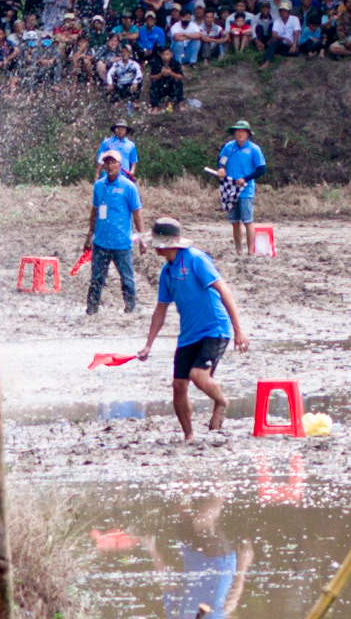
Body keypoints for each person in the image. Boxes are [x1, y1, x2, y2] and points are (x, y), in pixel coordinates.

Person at [136, 217, 250, 439]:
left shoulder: (195, 259)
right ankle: (189, 436)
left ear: (166, 244)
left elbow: (224, 290)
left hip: (214, 328)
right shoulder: (166, 273)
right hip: (188, 334)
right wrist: (148, 344)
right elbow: (160, 310)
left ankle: (221, 401)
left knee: (198, 375)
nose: (153, 247)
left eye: (156, 242)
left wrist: (238, 329)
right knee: (179, 386)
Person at [84, 149, 145, 314]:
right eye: (107, 162)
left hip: (122, 242)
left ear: (120, 165)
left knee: (127, 279)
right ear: (103, 165)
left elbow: (137, 214)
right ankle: (91, 309)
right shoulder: (99, 186)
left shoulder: (129, 187)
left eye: (113, 162)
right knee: (96, 279)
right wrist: (90, 234)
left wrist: (142, 238)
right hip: (101, 241)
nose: (110, 166)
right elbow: (95, 210)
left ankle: (130, 309)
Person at [211, 119, 265, 254]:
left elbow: (261, 169)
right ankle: (238, 250)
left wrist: (245, 179)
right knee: (234, 222)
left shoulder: (254, 149)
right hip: (230, 188)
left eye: (243, 132)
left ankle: (250, 250)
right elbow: (221, 160)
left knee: (248, 221)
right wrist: (221, 168)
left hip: (246, 189)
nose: (240, 134)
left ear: (247, 134)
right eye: (237, 132)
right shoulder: (229, 147)